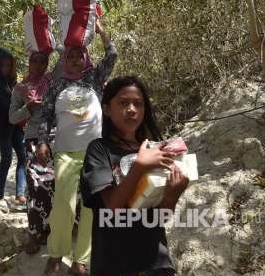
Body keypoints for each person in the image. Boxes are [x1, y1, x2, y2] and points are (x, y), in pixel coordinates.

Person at [80, 76, 189, 276]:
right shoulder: (99, 150)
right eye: (123, 103)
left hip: (157, 262)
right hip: (115, 264)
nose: (132, 109)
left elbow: (158, 218)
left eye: (138, 103)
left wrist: (172, 195)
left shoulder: (155, 149)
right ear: (106, 109)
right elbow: (112, 208)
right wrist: (139, 166)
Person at [39, 19, 118, 275]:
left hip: (95, 155)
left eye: (78, 56)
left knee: (91, 207)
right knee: (64, 204)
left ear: (85, 58)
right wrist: (42, 142)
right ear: (64, 61)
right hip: (65, 154)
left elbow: (112, 55)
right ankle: (56, 253)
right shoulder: (57, 85)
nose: (74, 60)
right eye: (70, 56)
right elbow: (45, 114)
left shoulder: (95, 80)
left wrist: (104, 33)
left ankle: (80, 260)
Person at [9, 52, 57, 254]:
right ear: (28, 63)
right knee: (35, 186)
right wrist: (28, 107)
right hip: (32, 141)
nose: (38, 65)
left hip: (56, 138)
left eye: (43, 61)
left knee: (53, 185)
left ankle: (49, 229)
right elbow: (12, 117)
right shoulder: (20, 88)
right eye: (34, 61)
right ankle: (34, 232)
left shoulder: (55, 83)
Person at [0, 47, 26, 204]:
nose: (5, 68)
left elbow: (18, 100)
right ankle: (0, 195)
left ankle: (20, 194)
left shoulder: (14, 81)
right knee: (6, 157)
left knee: (23, 156)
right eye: (2, 65)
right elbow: (7, 101)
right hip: (2, 125)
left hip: (16, 124)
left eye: (8, 65)